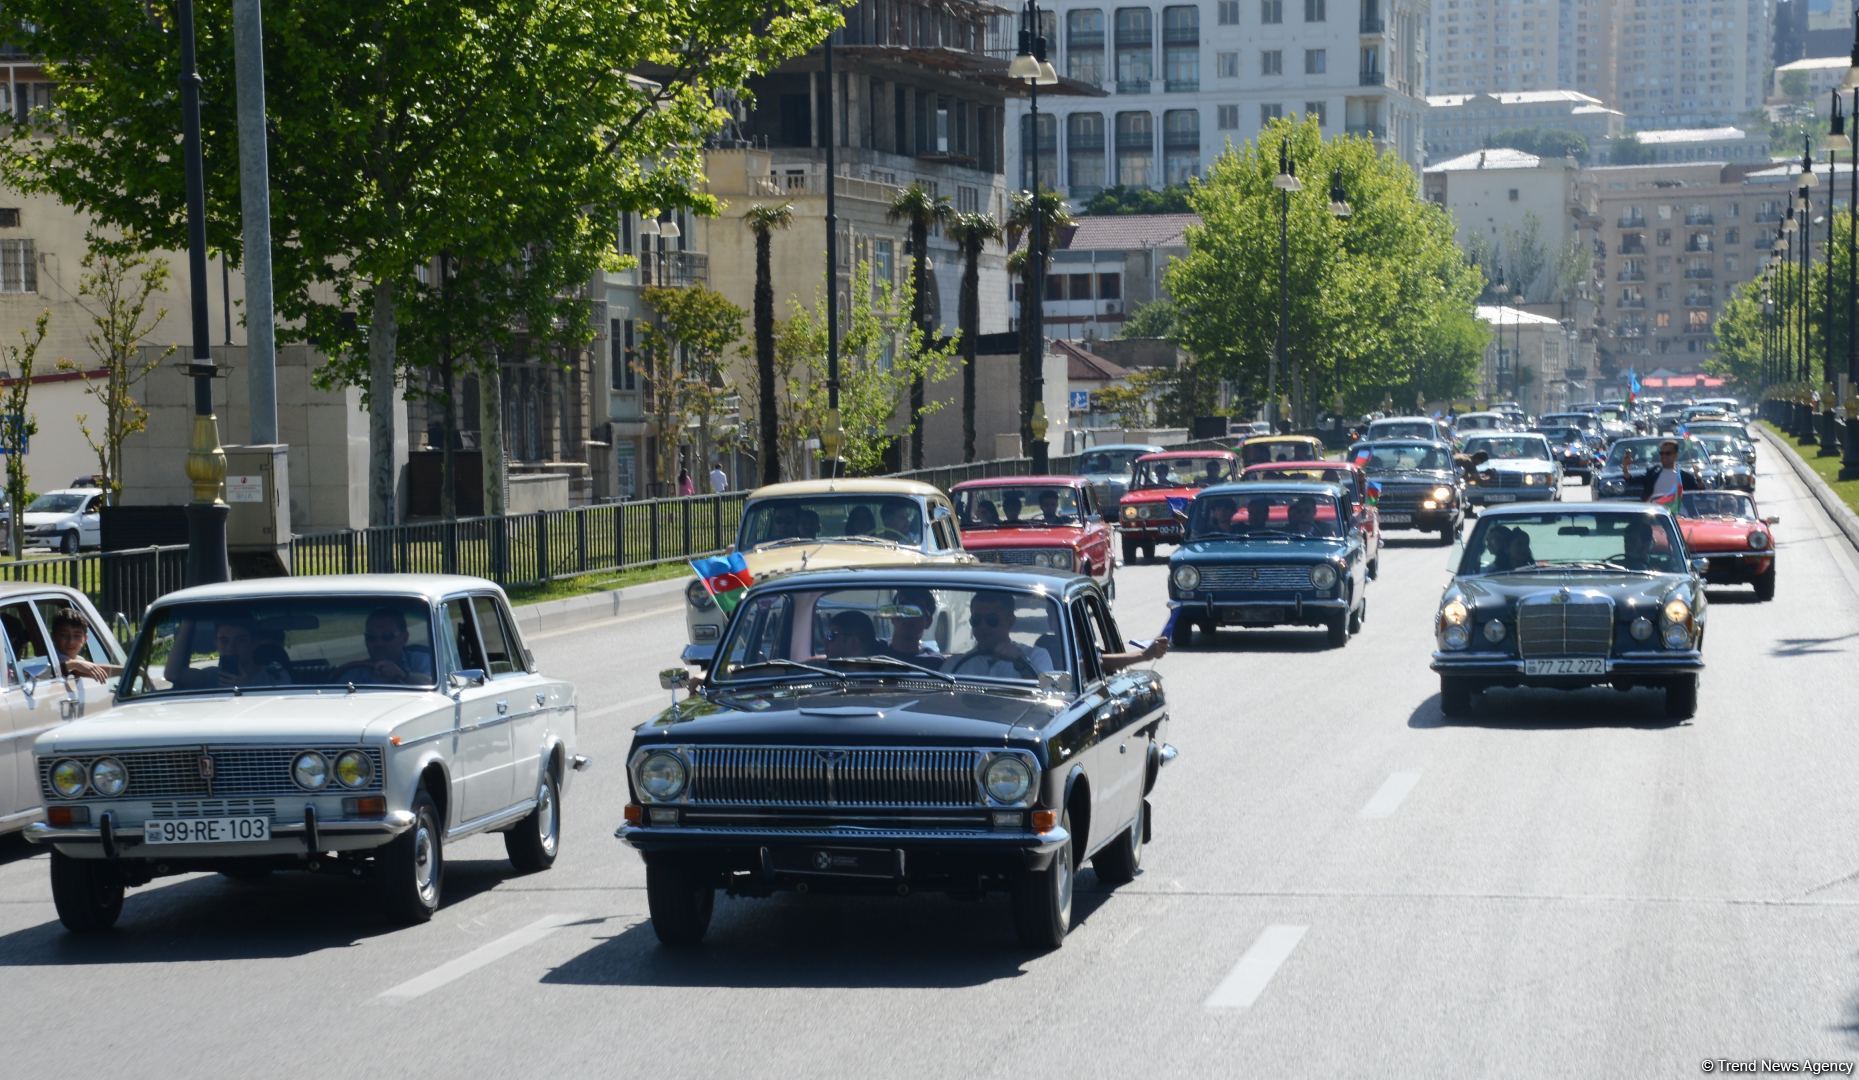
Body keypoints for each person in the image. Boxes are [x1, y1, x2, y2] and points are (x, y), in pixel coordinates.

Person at [944, 592, 1054, 679]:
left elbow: (1050, 693)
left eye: (992, 620)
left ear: (1010, 621)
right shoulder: (955, 664)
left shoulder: (1037, 656)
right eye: (976, 620)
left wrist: (1022, 664)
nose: (983, 627)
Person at [350, 608, 434, 685]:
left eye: (387, 636)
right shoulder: (355, 672)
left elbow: (432, 684)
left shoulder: (421, 661)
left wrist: (403, 675)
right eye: (371, 637)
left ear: (404, 638)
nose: (379, 643)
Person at [50, 608, 116, 683]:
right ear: (53, 637)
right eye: (64, 635)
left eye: (77, 636)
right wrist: (75, 665)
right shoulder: (50, 660)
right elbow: (61, 668)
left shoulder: (79, 660)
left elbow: (94, 668)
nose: (71, 641)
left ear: (85, 638)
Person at [1622, 440, 1697, 503]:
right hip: (1655, 515)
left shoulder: (1685, 477)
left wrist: (1699, 478)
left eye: (1668, 453)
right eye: (1662, 453)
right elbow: (1631, 480)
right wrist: (1625, 466)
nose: (1664, 456)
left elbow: (1699, 492)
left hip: (1678, 516)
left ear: (1676, 455)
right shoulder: (1652, 473)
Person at [879, 588, 942, 661]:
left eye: (916, 611)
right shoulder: (872, 653)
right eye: (903, 609)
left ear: (928, 622)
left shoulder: (934, 663)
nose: (909, 616)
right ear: (893, 616)